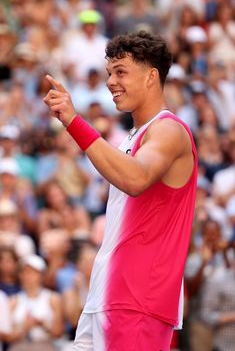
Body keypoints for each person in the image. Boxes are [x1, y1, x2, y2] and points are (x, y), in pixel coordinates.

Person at [44, 30, 198, 351]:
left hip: (138, 298)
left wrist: (73, 120)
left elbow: (136, 178)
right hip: (109, 293)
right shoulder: (132, 137)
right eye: (109, 73)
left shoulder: (169, 129)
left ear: (151, 77)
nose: (110, 81)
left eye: (121, 72)